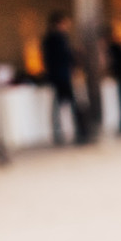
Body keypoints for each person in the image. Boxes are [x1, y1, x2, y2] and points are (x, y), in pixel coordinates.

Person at [41, 11, 84, 144]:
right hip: (62, 76)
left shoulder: (50, 39)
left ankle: (59, 132)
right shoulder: (58, 38)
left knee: (59, 104)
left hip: (58, 75)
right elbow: (65, 56)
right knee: (68, 103)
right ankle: (77, 131)